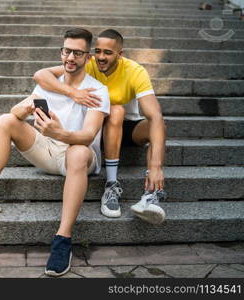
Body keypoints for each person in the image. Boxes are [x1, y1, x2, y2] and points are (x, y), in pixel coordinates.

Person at [0, 28, 110, 277]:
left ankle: (62, 240)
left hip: (78, 157)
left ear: (87, 58)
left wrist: (59, 133)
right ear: (61, 52)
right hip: (47, 151)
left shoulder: (97, 91)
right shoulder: (50, 83)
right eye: (67, 51)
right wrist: (23, 112)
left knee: (77, 152)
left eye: (78, 53)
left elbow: (88, 136)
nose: (70, 58)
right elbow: (15, 111)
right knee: (5, 120)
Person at [33, 29, 167, 225]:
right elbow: (40, 75)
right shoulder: (89, 63)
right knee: (116, 110)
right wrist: (72, 92)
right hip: (94, 131)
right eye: (98, 51)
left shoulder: (135, 71)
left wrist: (156, 167)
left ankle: (151, 194)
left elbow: (154, 115)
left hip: (127, 128)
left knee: (157, 124)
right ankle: (111, 184)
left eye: (108, 52)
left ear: (120, 55)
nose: (101, 57)